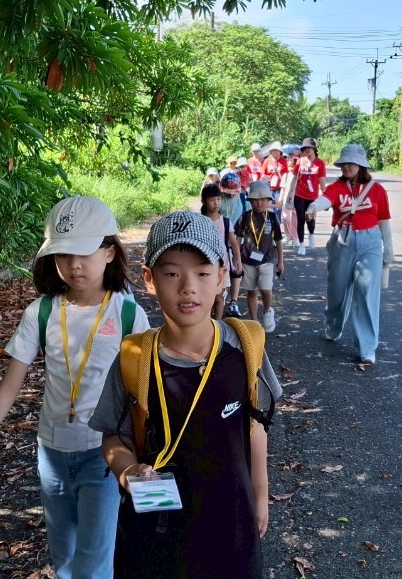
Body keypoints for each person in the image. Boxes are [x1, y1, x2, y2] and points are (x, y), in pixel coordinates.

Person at [0, 195, 150, 579]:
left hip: (104, 455)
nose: (74, 264)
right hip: (51, 455)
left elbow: (145, 391)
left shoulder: (129, 314)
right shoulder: (41, 312)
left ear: (110, 253)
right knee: (64, 558)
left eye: (84, 252)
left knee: (94, 563)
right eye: (63, 255)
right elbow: (12, 381)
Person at [89, 210, 282, 579]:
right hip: (155, 532)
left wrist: (260, 496)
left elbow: (256, 427)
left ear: (222, 278)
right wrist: (127, 469)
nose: (187, 286)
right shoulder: (135, 359)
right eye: (172, 272)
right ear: (149, 279)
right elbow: (113, 435)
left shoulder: (245, 348)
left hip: (232, 526)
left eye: (203, 272)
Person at [305, 144, 393, 365]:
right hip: (343, 240)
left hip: (370, 242)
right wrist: (313, 207)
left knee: (367, 292)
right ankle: (333, 327)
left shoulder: (377, 190)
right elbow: (325, 199)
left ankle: (367, 348)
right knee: (337, 290)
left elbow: (384, 220)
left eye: (350, 163)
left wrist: (388, 251)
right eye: (343, 163)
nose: (345, 166)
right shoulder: (337, 187)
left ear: (361, 165)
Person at [236, 181, 283, 332]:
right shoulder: (245, 217)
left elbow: (278, 239)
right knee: (251, 291)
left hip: (268, 258)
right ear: (250, 201)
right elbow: (237, 237)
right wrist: (236, 258)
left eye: (263, 199)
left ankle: (268, 311)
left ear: (268, 200)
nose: (260, 203)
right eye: (256, 199)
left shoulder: (272, 217)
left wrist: (281, 261)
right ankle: (254, 320)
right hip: (248, 259)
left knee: (266, 289)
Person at [201, 183, 243, 320]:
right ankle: (205, 324)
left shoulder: (225, 222)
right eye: (212, 200)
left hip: (222, 265)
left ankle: (218, 325)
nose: (216, 203)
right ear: (204, 201)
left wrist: (238, 260)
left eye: (218, 199)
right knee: (206, 297)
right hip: (204, 264)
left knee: (219, 298)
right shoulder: (200, 221)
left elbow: (233, 243)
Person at [292, 138, 327, 257]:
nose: (306, 150)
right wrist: (289, 194)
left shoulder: (320, 163)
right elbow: (294, 179)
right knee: (300, 220)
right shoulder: (299, 162)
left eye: (309, 148)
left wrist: (326, 197)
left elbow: (322, 181)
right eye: (304, 148)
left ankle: (311, 233)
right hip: (299, 195)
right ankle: (302, 244)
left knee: (310, 218)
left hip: (312, 197)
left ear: (314, 149)